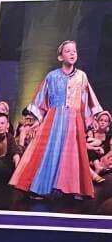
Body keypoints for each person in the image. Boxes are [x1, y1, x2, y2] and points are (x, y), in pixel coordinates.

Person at [9, 40, 102, 200]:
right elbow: (41, 98)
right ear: (60, 56)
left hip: (74, 121)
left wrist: (92, 117)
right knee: (49, 152)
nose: (72, 53)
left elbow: (87, 100)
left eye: (74, 51)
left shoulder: (82, 76)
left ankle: (73, 188)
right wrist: (36, 120)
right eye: (68, 51)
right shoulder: (51, 76)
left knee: (72, 154)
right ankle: (41, 187)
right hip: (54, 119)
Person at [0, 113, 23, 184]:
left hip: (5, 167)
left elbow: (15, 154)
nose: (0, 126)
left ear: (7, 125)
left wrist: (17, 173)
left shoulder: (10, 138)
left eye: (2, 123)